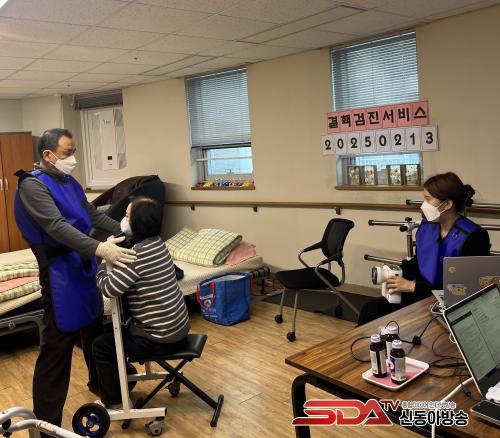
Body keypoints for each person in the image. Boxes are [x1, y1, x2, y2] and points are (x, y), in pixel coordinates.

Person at [13, 128, 136, 431]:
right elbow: (56, 226)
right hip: (59, 274)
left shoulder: (69, 182)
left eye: (73, 152)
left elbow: (92, 215)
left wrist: (122, 229)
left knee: (94, 327)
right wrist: (100, 248)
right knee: (57, 349)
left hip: (83, 266)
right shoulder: (32, 186)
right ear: (48, 155)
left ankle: (103, 386)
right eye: (67, 153)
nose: (73, 159)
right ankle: (46, 426)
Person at [92, 197, 190, 409]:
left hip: (160, 339)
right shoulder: (158, 243)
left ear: (138, 222)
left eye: (127, 216)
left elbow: (108, 288)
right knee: (118, 331)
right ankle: (121, 381)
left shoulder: (137, 255)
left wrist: (102, 262)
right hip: (179, 330)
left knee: (101, 346)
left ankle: (115, 403)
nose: (123, 219)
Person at [358, 172, 490, 325]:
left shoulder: (474, 237)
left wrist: (412, 286)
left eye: (428, 199)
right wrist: (395, 270)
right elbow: (418, 262)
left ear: (447, 204)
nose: (424, 205)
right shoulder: (428, 227)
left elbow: (466, 286)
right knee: (370, 310)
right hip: (421, 294)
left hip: (450, 303)